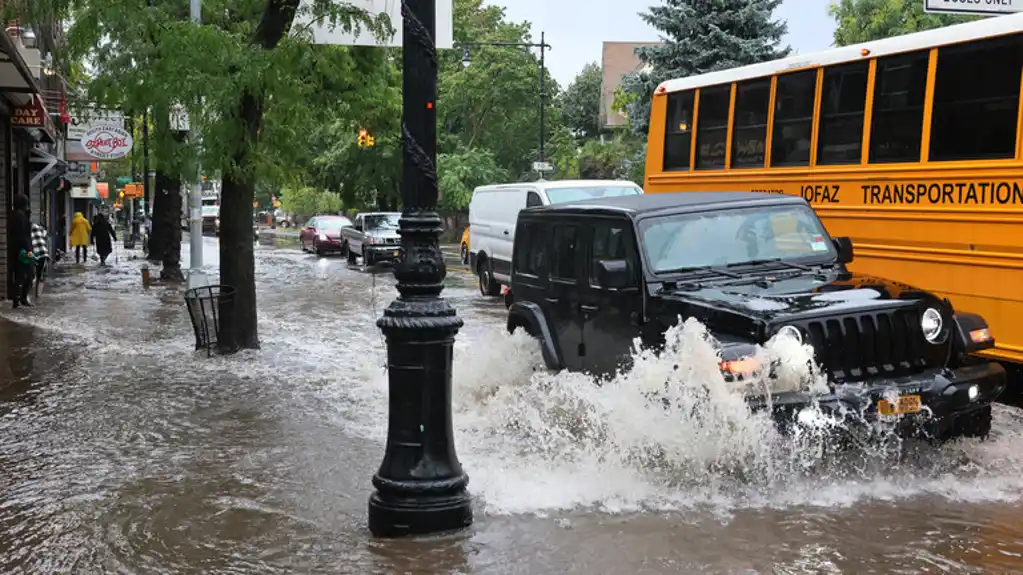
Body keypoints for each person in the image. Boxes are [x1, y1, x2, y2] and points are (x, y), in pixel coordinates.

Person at [10, 194, 33, 308]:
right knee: (27, 274)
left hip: (16, 249)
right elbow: (23, 235)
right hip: (22, 250)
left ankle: (18, 299)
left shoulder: (15, 215)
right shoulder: (20, 217)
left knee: (20, 275)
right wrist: (28, 249)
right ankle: (20, 298)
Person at [30, 221, 50, 302]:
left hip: (35, 254)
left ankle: (35, 292)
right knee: (40, 275)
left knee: (34, 274)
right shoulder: (40, 230)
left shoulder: (30, 230)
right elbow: (45, 239)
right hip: (43, 254)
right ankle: (37, 294)